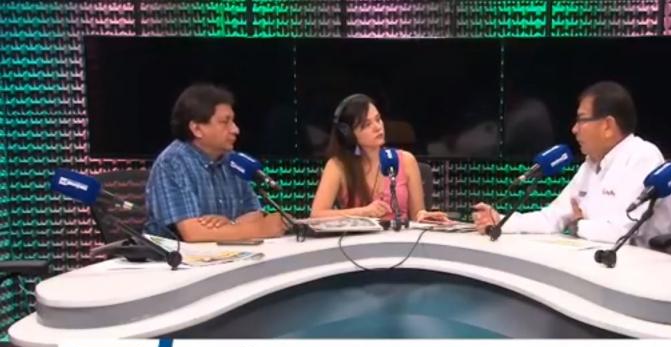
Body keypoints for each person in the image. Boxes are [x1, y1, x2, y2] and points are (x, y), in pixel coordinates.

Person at [472, 81, 671, 246]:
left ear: (607, 126)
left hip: (641, 267)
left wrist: (578, 226)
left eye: (582, 120)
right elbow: (554, 217)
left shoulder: (643, 156)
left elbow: (623, 231)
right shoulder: (591, 163)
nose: (574, 129)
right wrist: (502, 220)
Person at [144, 83, 287, 242]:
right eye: (225, 122)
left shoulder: (233, 161)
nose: (235, 130)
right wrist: (260, 230)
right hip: (174, 256)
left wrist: (230, 225)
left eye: (233, 121)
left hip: (229, 253)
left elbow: (254, 214)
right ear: (197, 129)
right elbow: (193, 233)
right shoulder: (172, 163)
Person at [310, 93, 448, 223]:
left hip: (401, 239)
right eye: (367, 125)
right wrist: (364, 212)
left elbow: (416, 215)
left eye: (378, 119)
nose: (378, 127)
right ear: (349, 135)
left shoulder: (406, 160)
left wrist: (423, 216)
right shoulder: (337, 166)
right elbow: (316, 215)